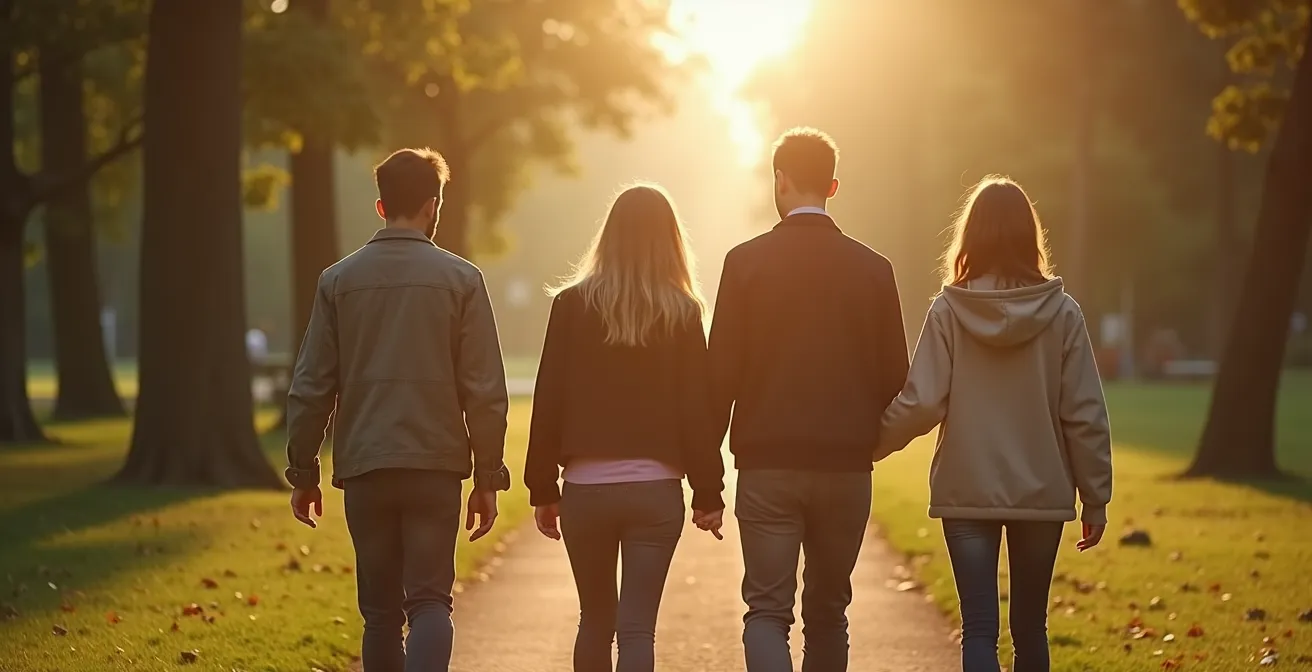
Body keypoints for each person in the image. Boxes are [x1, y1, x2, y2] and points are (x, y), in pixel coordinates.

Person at [284, 148, 512, 672]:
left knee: (381, 616)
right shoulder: (463, 280)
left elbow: (311, 386)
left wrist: (303, 471)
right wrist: (487, 478)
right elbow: (485, 391)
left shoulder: (337, 281)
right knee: (430, 602)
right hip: (435, 465)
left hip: (367, 464)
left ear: (381, 206)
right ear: (433, 206)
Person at [875, 176, 1114, 672]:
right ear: (1030, 236)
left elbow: (921, 402)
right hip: (1041, 490)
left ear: (971, 236)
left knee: (979, 629)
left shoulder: (948, 310)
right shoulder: (1063, 314)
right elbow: (1084, 413)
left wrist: (870, 445)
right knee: (1031, 628)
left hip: (967, 486)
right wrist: (1095, 496)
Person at [708, 128, 909, 672]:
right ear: (833, 187)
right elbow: (896, 377)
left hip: (767, 465)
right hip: (845, 467)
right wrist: (863, 433)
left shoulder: (744, 263)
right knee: (828, 613)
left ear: (780, 180)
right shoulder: (874, 269)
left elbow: (719, 378)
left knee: (766, 611)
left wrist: (706, 480)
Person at [525, 183, 726, 672]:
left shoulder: (571, 305)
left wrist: (542, 488)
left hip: (586, 491)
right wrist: (708, 492)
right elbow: (695, 410)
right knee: (637, 629)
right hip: (655, 492)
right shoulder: (683, 312)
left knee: (594, 620)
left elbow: (548, 399)